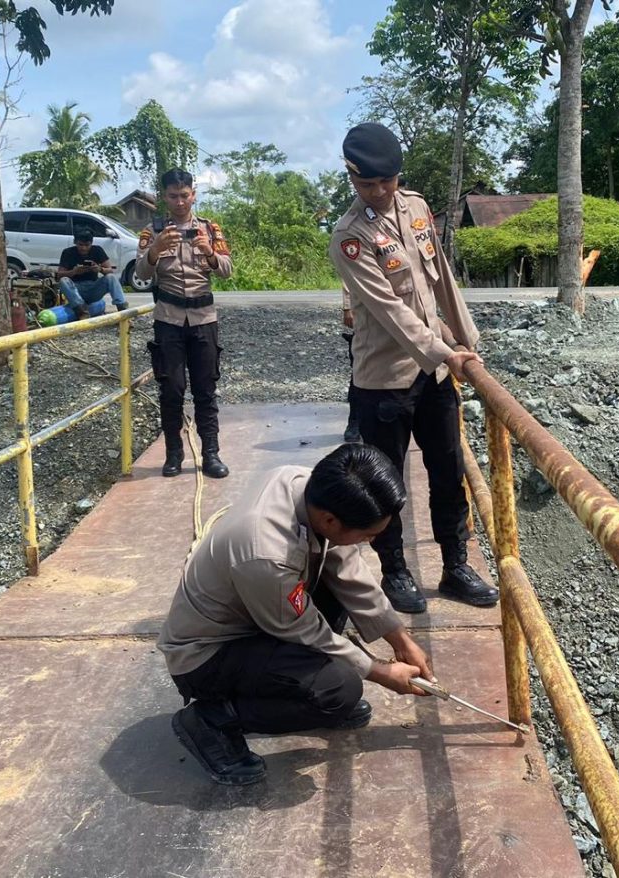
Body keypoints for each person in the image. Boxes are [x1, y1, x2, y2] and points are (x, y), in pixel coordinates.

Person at [159, 443, 435, 786]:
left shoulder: (303, 485)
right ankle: (211, 720)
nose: (368, 542)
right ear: (331, 520)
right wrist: (378, 672)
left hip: (259, 614)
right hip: (207, 655)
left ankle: (299, 690)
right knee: (340, 688)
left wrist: (400, 638)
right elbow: (305, 630)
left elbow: (345, 565)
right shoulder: (266, 554)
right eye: (367, 535)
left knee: (335, 590)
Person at [328, 122, 498, 615]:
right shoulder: (350, 237)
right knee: (387, 482)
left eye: (388, 182)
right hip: (383, 380)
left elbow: (440, 279)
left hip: (436, 375)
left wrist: (467, 343)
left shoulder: (418, 207)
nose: (380, 193)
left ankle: (456, 565)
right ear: (352, 180)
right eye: (368, 185)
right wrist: (448, 354)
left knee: (447, 470)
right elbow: (393, 313)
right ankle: (395, 572)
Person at [134, 168, 233, 479]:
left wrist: (210, 253)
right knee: (172, 390)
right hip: (169, 320)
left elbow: (228, 271)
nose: (180, 202)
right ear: (165, 197)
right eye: (173, 196)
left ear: (194, 194)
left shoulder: (209, 230)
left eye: (185, 195)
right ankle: (173, 453)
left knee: (205, 389)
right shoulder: (153, 232)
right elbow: (141, 273)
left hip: (204, 318)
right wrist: (155, 251)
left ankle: (211, 453)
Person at [56, 229, 128, 316]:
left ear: (91, 243)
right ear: (75, 242)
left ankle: (123, 310)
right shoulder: (68, 252)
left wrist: (100, 269)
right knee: (64, 280)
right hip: (76, 289)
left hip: (93, 287)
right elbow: (59, 274)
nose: (83, 248)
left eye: (87, 245)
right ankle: (81, 311)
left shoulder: (97, 250)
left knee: (111, 277)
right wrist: (73, 272)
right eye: (80, 245)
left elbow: (110, 270)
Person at [340, 283, 361, 444]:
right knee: (359, 372)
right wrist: (348, 307)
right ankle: (355, 421)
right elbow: (348, 272)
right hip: (367, 314)